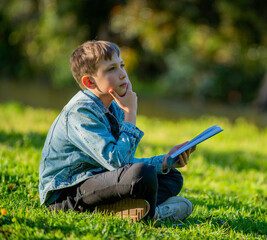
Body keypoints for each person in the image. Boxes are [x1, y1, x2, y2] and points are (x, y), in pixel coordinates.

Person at [39, 40, 196, 222]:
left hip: (99, 181)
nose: (122, 74)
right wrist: (131, 113)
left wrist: (165, 161)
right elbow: (118, 163)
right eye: (111, 69)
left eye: (122, 65)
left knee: (172, 176)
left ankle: (127, 209)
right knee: (141, 174)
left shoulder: (114, 108)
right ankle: (154, 215)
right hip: (66, 195)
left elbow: (125, 162)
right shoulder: (80, 111)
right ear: (90, 81)